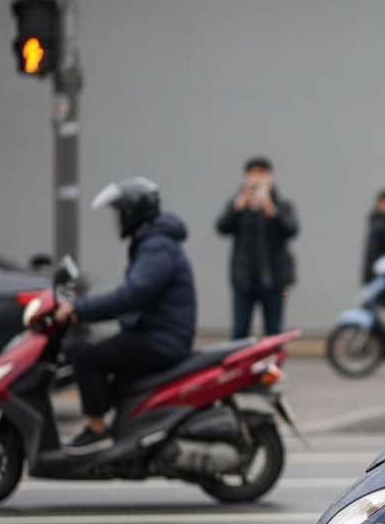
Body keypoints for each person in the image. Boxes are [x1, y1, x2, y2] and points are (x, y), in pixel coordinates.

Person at [54, 178, 197, 453]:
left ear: (134, 211)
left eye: (120, 212)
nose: (117, 220)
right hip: (156, 333)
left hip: (161, 339)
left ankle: (97, 431)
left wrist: (79, 309)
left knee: (87, 357)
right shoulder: (153, 241)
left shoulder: (157, 247)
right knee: (109, 365)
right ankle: (128, 431)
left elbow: (131, 295)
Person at [216, 156, 300, 338]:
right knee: (239, 331)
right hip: (243, 279)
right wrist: (237, 207)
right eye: (253, 173)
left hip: (274, 280)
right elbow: (222, 227)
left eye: (262, 173)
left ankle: (272, 366)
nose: (257, 178)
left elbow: (291, 229)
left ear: (270, 177)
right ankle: (241, 367)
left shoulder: (282, 205)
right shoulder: (239, 205)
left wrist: (271, 208)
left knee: (273, 331)